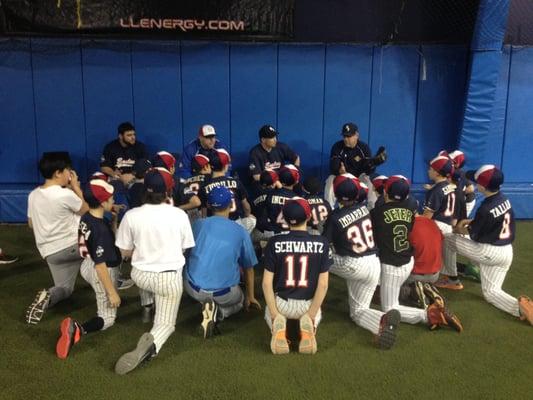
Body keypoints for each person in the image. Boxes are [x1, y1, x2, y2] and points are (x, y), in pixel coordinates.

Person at [114, 167, 195, 375]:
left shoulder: (131, 215)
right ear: (168, 190)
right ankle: (151, 345)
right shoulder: (179, 215)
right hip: (168, 279)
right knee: (166, 325)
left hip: (139, 276)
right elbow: (185, 248)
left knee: (146, 271)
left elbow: (124, 252)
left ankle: (146, 306)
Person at [440, 165, 533, 326]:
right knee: (491, 293)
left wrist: (457, 228)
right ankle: (520, 309)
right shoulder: (504, 198)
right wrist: (473, 224)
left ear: (482, 186)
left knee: (447, 238)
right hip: (506, 252)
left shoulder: (485, 208)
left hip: (488, 251)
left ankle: (451, 278)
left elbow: (471, 233)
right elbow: (490, 222)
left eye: (477, 182)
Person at [371, 175, 462, 332]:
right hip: (409, 262)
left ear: (385, 193)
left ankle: (428, 315)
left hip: (394, 266)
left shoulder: (376, 212)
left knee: (389, 308)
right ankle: (416, 290)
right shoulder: (410, 212)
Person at [324, 173, 400, 349]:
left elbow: (324, 244)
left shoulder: (335, 217)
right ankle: (382, 320)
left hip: (353, 264)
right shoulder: (365, 208)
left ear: (336, 194)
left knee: (316, 255)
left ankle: (303, 297)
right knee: (358, 312)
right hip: (374, 264)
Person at [55, 179, 122, 359]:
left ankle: (105, 291)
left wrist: (113, 219)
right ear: (101, 202)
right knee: (108, 318)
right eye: (110, 198)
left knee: (103, 280)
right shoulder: (99, 229)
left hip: (87, 264)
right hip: (100, 271)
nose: (113, 200)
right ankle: (77, 329)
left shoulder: (87, 215)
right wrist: (111, 292)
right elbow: (101, 266)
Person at [185, 186, 261, 338]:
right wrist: (250, 297)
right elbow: (249, 268)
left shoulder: (197, 224)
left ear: (208, 205)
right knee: (239, 301)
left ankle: (206, 305)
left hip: (192, 289)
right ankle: (219, 312)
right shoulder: (240, 230)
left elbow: (187, 253)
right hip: (224, 294)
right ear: (231, 205)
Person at [261, 197, 331, 355]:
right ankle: (308, 327)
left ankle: (278, 326)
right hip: (307, 304)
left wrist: (273, 313)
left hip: (282, 303)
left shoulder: (274, 241)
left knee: (270, 311)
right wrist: (312, 314)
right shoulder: (322, 242)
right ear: (308, 216)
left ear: (285, 219)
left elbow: (266, 284)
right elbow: (323, 285)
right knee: (314, 313)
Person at [26, 152, 88, 324]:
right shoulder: (64, 195)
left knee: (65, 289)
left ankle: (48, 296)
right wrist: (76, 188)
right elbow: (86, 211)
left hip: (50, 253)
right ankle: (115, 281)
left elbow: (31, 224)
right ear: (58, 173)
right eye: (68, 170)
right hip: (74, 247)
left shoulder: (33, 195)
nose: (70, 174)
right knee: (104, 245)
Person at [199, 149, 255, 233]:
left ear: (210, 166)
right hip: (235, 225)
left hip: (215, 227)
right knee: (252, 219)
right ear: (226, 166)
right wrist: (248, 215)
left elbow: (204, 214)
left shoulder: (204, 186)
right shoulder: (236, 182)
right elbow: (246, 206)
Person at [422, 155, 455, 234]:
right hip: (448, 225)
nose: (428, 171)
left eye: (430, 169)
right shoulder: (451, 186)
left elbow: (426, 217)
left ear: (437, 173)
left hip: (437, 227)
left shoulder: (435, 191)